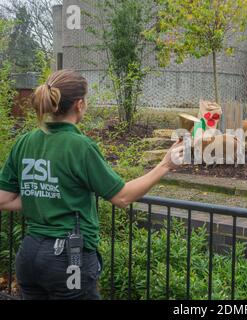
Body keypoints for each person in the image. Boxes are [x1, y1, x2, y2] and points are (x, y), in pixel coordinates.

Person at [0, 69, 184, 300]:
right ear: (79, 104)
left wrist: (44, 197)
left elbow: (4, 199)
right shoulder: (80, 146)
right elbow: (122, 196)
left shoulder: (25, 141)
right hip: (68, 260)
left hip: (29, 255)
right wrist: (165, 165)